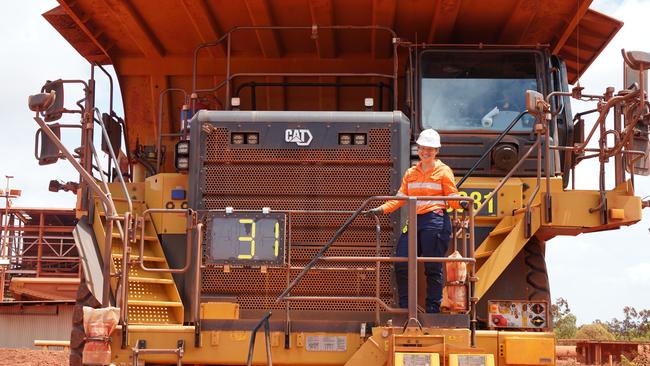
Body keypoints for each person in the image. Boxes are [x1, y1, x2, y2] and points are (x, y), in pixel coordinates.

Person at [366, 129, 467, 313]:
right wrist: (380, 209)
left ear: (436, 151)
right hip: (414, 221)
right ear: (418, 149)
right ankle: (405, 308)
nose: (425, 152)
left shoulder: (444, 172)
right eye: (422, 148)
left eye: (430, 149)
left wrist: (461, 203)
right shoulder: (411, 173)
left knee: (432, 267)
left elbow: (452, 197)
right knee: (402, 263)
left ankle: (432, 310)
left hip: (435, 221)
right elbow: (399, 199)